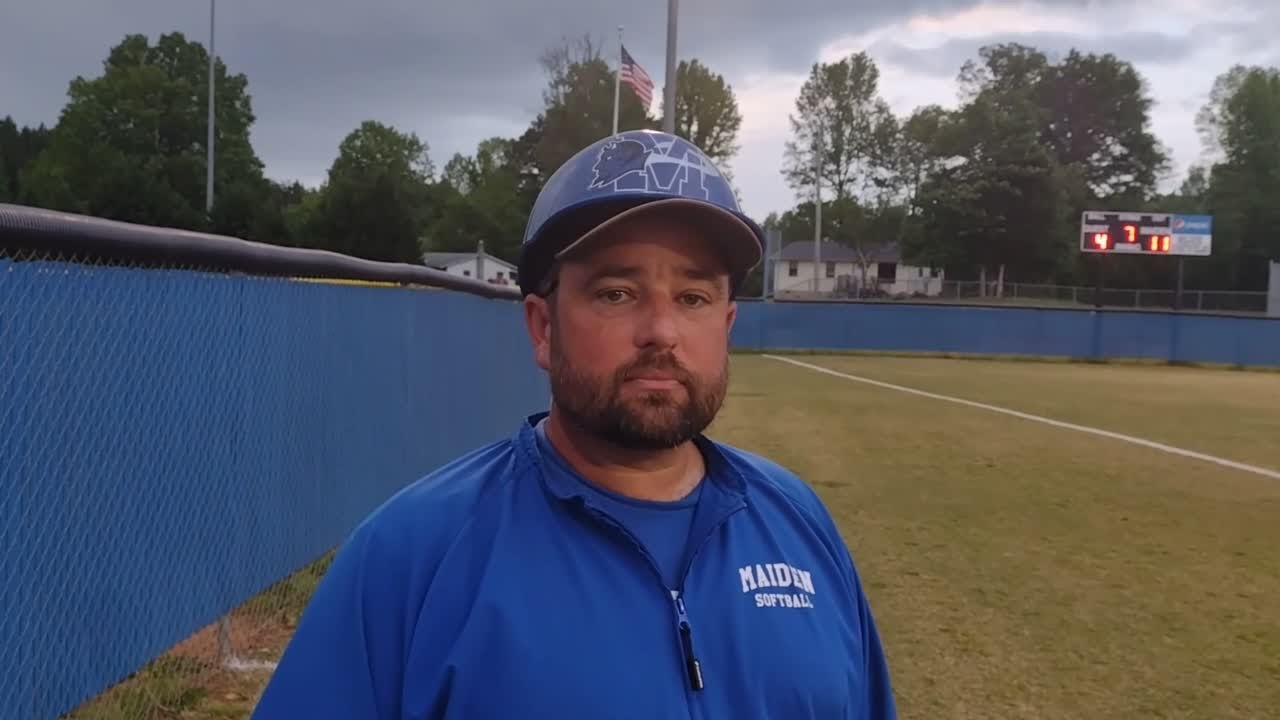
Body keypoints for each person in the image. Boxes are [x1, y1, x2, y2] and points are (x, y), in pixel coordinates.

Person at [251, 129, 897, 719]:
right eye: (616, 293)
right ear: (542, 326)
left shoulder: (797, 522)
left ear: (726, 325)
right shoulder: (413, 555)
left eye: (694, 298)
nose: (661, 333)